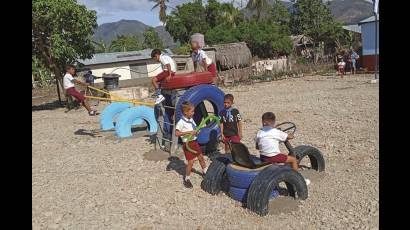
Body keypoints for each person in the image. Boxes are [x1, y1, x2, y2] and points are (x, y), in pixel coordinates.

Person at [175, 101, 208, 188]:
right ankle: (187, 179)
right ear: (186, 112)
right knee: (191, 162)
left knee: (201, 157)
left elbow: (195, 129)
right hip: (187, 144)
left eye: (193, 111)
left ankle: (205, 172)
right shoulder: (181, 122)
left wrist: (197, 132)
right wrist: (189, 132)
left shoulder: (191, 119)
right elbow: (177, 133)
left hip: (194, 142)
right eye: (192, 111)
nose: (194, 113)